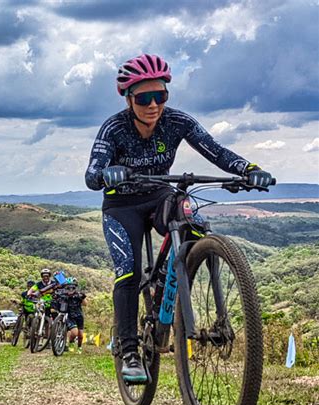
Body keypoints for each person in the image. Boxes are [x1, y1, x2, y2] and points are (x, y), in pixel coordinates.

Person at [85, 53, 273, 383]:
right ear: (129, 99)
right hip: (121, 206)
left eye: (160, 96)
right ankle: (129, 350)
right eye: (144, 98)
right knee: (126, 272)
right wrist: (107, 173)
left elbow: (216, 151)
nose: (153, 105)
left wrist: (247, 169)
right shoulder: (114, 128)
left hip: (158, 195)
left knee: (189, 216)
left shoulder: (177, 122)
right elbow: (91, 174)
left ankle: (170, 278)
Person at [65, 278, 86, 354]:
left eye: (72, 287)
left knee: (80, 335)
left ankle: (79, 347)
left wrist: (82, 298)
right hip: (70, 316)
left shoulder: (79, 294)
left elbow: (85, 304)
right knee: (74, 333)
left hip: (79, 316)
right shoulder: (64, 295)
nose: (70, 289)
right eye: (68, 287)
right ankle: (71, 342)